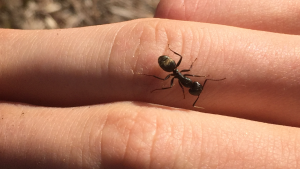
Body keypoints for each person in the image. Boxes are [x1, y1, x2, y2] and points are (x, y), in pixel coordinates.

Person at [1, 0, 300, 168]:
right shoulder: (180, 77)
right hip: (167, 65)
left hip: (168, 67)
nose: (195, 84)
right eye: (196, 86)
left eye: (195, 87)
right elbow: (183, 76)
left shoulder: (182, 78)